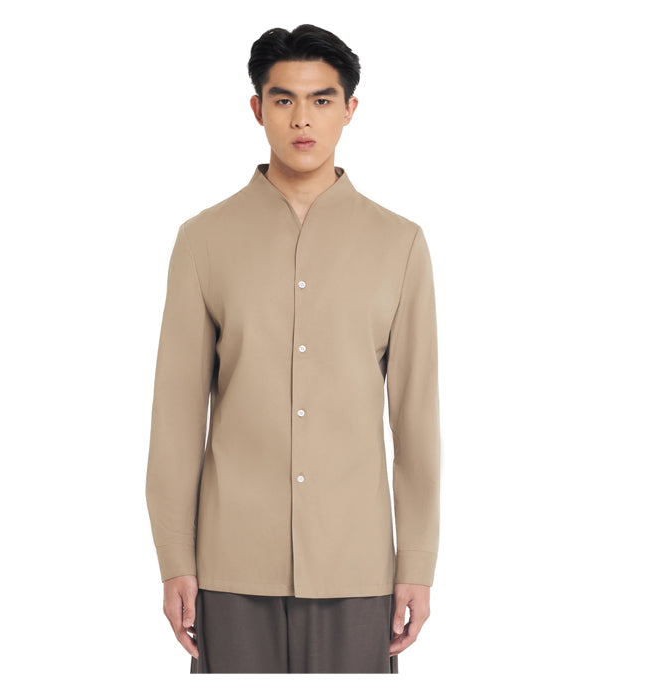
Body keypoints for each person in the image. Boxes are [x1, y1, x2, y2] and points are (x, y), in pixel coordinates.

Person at [145, 23, 441, 674]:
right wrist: (174, 558)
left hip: (357, 566)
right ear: (257, 109)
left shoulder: (400, 245)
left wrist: (416, 563)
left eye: (321, 100)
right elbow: (175, 417)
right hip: (230, 564)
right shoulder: (203, 241)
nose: (302, 119)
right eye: (283, 100)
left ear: (350, 109)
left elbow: (416, 421)